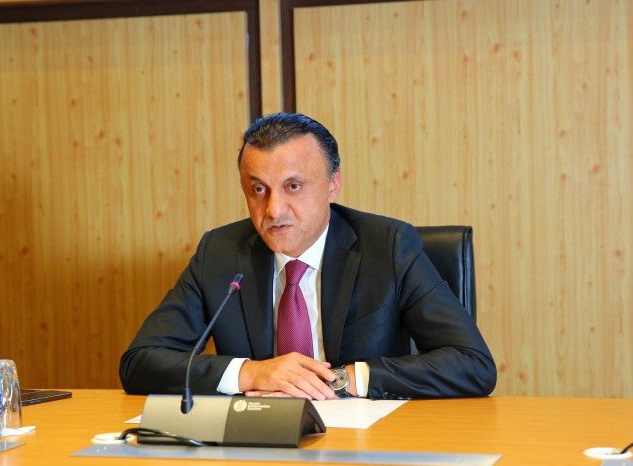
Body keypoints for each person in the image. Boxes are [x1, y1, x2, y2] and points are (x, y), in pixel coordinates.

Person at [119, 112, 496, 400]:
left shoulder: (389, 246)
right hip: (257, 447)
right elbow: (140, 362)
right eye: (258, 189)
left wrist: (342, 379)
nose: (273, 210)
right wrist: (250, 373)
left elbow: (472, 363)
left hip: (366, 447)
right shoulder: (219, 253)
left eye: (293, 186)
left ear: (333, 184)